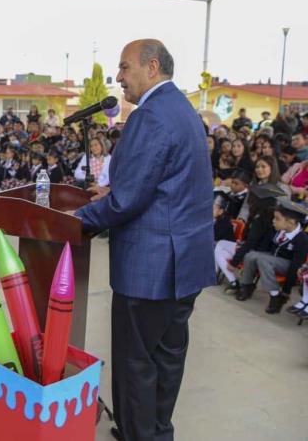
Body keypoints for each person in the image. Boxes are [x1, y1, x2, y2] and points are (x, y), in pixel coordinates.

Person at [74, 39, 214, 441]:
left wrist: (76, 219)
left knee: (136, 363)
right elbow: (163, 186)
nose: (118, 77)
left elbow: (128, 200)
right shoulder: (183, 110)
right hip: (184, 263)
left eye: (124, 67)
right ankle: (157, 432)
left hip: (151, 268)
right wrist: (114, 195)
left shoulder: (148, 116)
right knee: (166, 360)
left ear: (151, 68)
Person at [236, 198, 308, 313]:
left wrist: (286, 290)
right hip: (271, 258)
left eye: (277, 219)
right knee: (251, 255)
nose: (273, 221)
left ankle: (276, 296)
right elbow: (265, 247)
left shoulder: (302, 239)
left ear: (291, 222)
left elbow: (295, 265)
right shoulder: (277, 230)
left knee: (263, 260)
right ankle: (247, 285)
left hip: (288, 265)